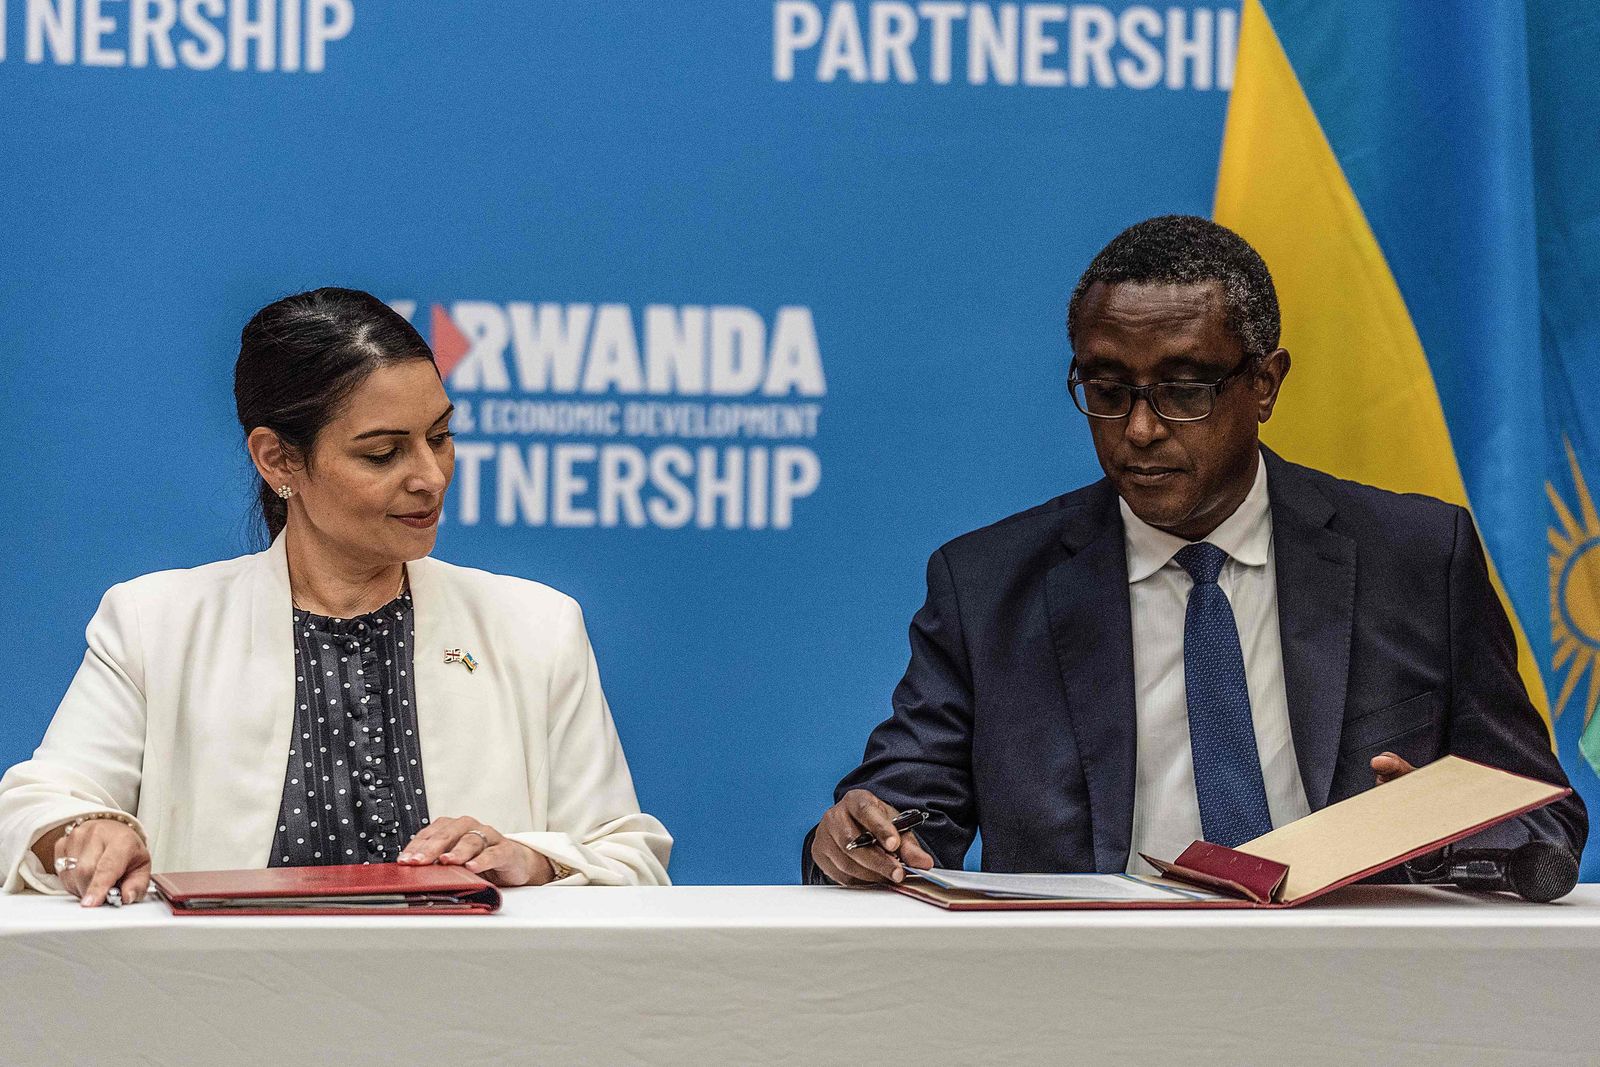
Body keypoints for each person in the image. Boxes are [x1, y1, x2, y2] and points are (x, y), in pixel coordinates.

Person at [805, 215, 1587, 886]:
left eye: (1183, 390)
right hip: (1089, 1002)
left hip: (1352, 992)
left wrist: (1439, 840)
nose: (1140, 429)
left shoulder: (1416, 557)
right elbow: (898, 812)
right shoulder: (988, 586)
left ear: (1265, 384)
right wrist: (857, 839)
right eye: (1108, 391)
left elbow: (1545, 822)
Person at [0, 287, 671, 906]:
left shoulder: (536, 626)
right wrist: (80, 834)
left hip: (474, 1015)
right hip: (216, 1013)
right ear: (279, 460)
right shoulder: (156, 623)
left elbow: (629, 854)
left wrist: (531, 857)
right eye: (384, 453)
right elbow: (37, 803)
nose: (430, 476)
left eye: (441, 437)